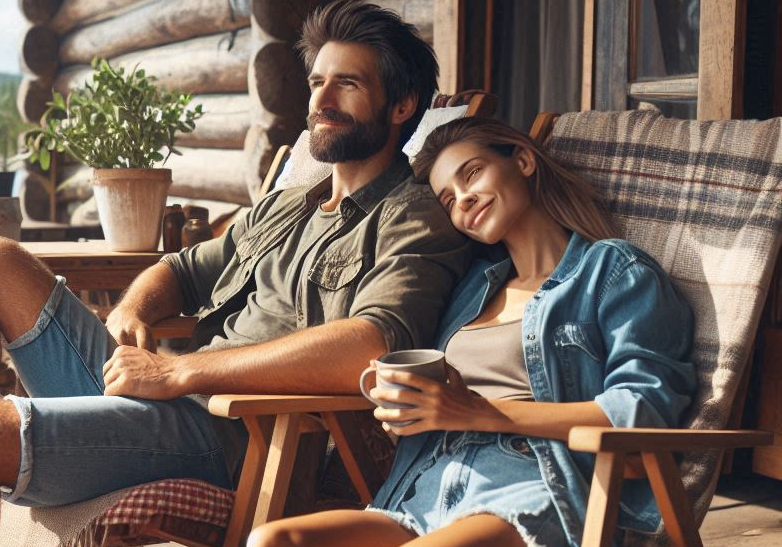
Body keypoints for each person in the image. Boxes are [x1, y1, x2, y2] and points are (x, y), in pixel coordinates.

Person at [0, 2, 471, 546]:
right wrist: (133, 310)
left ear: (400, 106)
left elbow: (371, 348)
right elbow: (179, 270)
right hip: (161, 398)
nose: (320, 98)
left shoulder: (414, 217)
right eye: (317, 81)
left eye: (346, 84)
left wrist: (184, 375)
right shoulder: (290, 205)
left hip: (231, 431)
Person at [247, 117, 697, 547]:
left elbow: (640, 413)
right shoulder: (471, 291)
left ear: (522, 160)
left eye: (473, 173)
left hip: (530, 487)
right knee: (273, 539)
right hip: (424, 489)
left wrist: (480, 413)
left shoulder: (612, 272)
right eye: (447, 198)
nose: (462, 198)